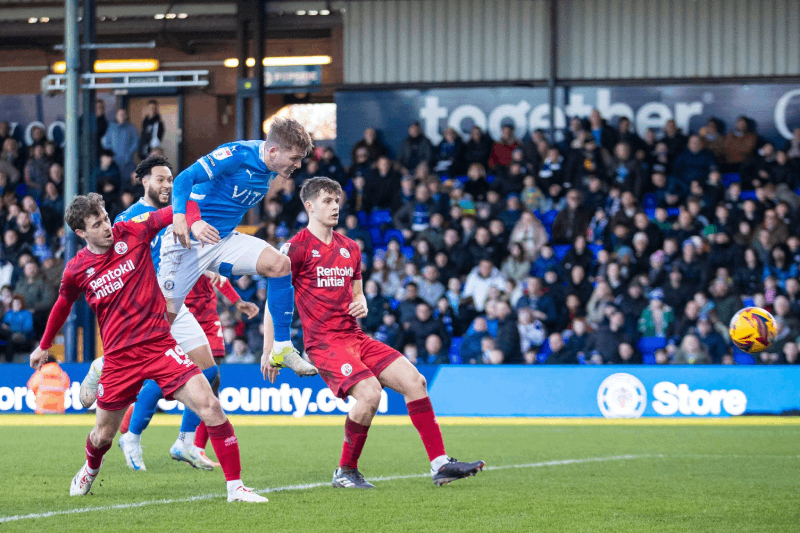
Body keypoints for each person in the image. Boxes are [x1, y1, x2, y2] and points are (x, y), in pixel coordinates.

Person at [29, 192, 266, 502]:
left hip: (159, 346)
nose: (106, 227)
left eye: (106, 218)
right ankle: (89, 468)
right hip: (119, 359)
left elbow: (178, 208)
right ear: (81, 233)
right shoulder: (77, 269)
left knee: (211, 406)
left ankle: (236, 487)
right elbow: (63, 305)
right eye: (97, 224)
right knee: (102, 436)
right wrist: (43, 345)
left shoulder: (133, 231)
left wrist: (193, 216)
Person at [270, 176, 484, 488]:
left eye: (337, 201)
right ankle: (346, 471)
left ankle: (440, 463)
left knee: (416, 381)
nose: (335, 207)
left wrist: (363, 302)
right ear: (309, 206)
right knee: (370, 394)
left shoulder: (350, 248)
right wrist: (272, 349)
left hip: (356, 337)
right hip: (324, 343)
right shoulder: (295, 249)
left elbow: (357, 293)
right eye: (327, 201)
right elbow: (273, 301)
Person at [111, 155, 258, 472]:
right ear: (144, 181)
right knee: (166, 374)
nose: (167, 185)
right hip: (147, 311)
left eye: (170, 179)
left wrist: (224, 283)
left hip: (176, 306)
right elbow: (114, 266)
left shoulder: (179, 213)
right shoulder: (129, 218)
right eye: (160, 179)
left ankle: (183, 440)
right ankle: (132, 435)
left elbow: (199, 259)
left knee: (208, 372)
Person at [162, 117, 317, 377]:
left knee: (280, 264)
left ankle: (281, 346)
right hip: (187, 243)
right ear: (273, 151)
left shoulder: (271, 167)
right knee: (158, 324)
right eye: (294, 158)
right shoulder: (237, 155)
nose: (298, 165)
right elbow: (184, 179)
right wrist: (186, 219)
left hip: (221, 241)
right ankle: (105, 367)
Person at [101, 108, 139, 182]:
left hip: (128, 162)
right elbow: (105, 142)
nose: (121, 116)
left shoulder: (131, 128)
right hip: (114, 162)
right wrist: (112, 153)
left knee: (127, 182)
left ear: (126, 116)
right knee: (115, 181)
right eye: (120, 114)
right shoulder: (111, 128)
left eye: (123, 114)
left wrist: (128, 153)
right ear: (116, 116)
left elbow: (136, 142)